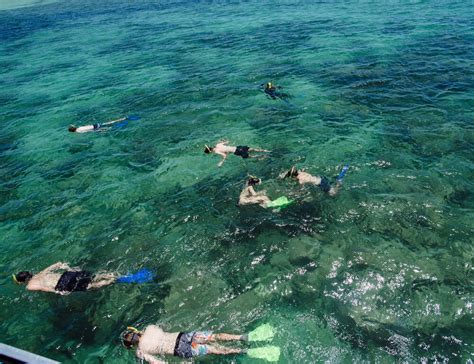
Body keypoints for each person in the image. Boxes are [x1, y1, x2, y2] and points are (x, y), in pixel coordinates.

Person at [122, 325, 245, 363]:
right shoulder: (149, 328)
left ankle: (239, 351)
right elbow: (162, 327)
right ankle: (241, 337)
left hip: (180, 349)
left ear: (131, 345)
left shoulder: (140, 351)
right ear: (135, 332)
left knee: (211, 349)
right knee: (214, 336)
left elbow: (158, 363)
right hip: (183, 336)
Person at [12, 262, 117, 295]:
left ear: (24, 281)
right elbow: (57, 264)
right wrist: (66, 267)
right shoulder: (41, 273)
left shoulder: (30, 286)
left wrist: (59, 292)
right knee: (92, 278)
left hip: (62, 284)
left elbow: (44, 288)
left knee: (90, 286)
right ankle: (111, 275)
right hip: (67, 274)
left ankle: (111, 281)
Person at [282, 166, 347, 196]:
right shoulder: (301, 172)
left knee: (333, 193)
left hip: (320, 184)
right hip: (320, 178)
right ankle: (338, 177)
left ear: (293, 176)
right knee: (330, 183)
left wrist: (295, 192)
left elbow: (303, 190)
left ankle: (340, 180)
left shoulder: (300, 180)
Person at [204, 141, 270, 167]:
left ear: (210, 152)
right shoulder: (218, 144)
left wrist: (221, 162)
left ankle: (263, 156)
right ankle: (266, 151)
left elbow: (224, 155)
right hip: (238, 147)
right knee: (253, 149)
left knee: (250, 156)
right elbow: (227, 141)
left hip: (237, 152)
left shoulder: (216, 151)